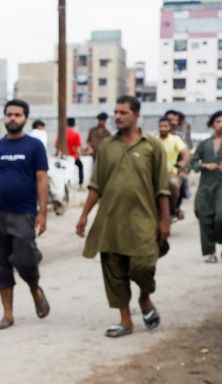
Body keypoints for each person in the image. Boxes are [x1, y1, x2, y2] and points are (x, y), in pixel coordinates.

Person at [76, 95, 170, 338]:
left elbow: (162, 188)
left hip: (143, 219)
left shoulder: (152, 146)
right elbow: (96, 185)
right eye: (115, 112)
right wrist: (84, 215)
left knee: (143, 266)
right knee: (114, 272)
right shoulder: (107, 146)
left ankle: (145, 297)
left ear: (136, 114)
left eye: (123, 112)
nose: (117, 117)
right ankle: (126, 321)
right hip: (110, 221)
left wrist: (165, 221)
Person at [0, 98, 50, 330]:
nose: (13, 118)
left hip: (24, 214)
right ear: (4, 117)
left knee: (25, 260)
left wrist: (43, 213)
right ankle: (8, 314)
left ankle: (35, 291)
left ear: (25, 118)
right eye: (9, 114)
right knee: (0, 263)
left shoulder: (34, 147)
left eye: (17, 115)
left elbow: (42, 180)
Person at [190, 110, 222, 262]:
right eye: (218, 122)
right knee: (204, 216)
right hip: (205, 184)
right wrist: (204, 165)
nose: (221, 125)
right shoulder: (204, 144)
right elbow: (193, 162)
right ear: (212, 124)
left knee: (221, 217)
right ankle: (210, 252)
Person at [157, 116, 191, 220]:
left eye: (165, 126)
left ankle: (173, 209)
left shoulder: (175, 140)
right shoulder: (154, 140)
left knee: (173, 184)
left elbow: (185, 152)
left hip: (171, 173)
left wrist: (183, 162)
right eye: (160, 126)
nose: (163, 128)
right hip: (155, 174)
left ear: (170, 128)